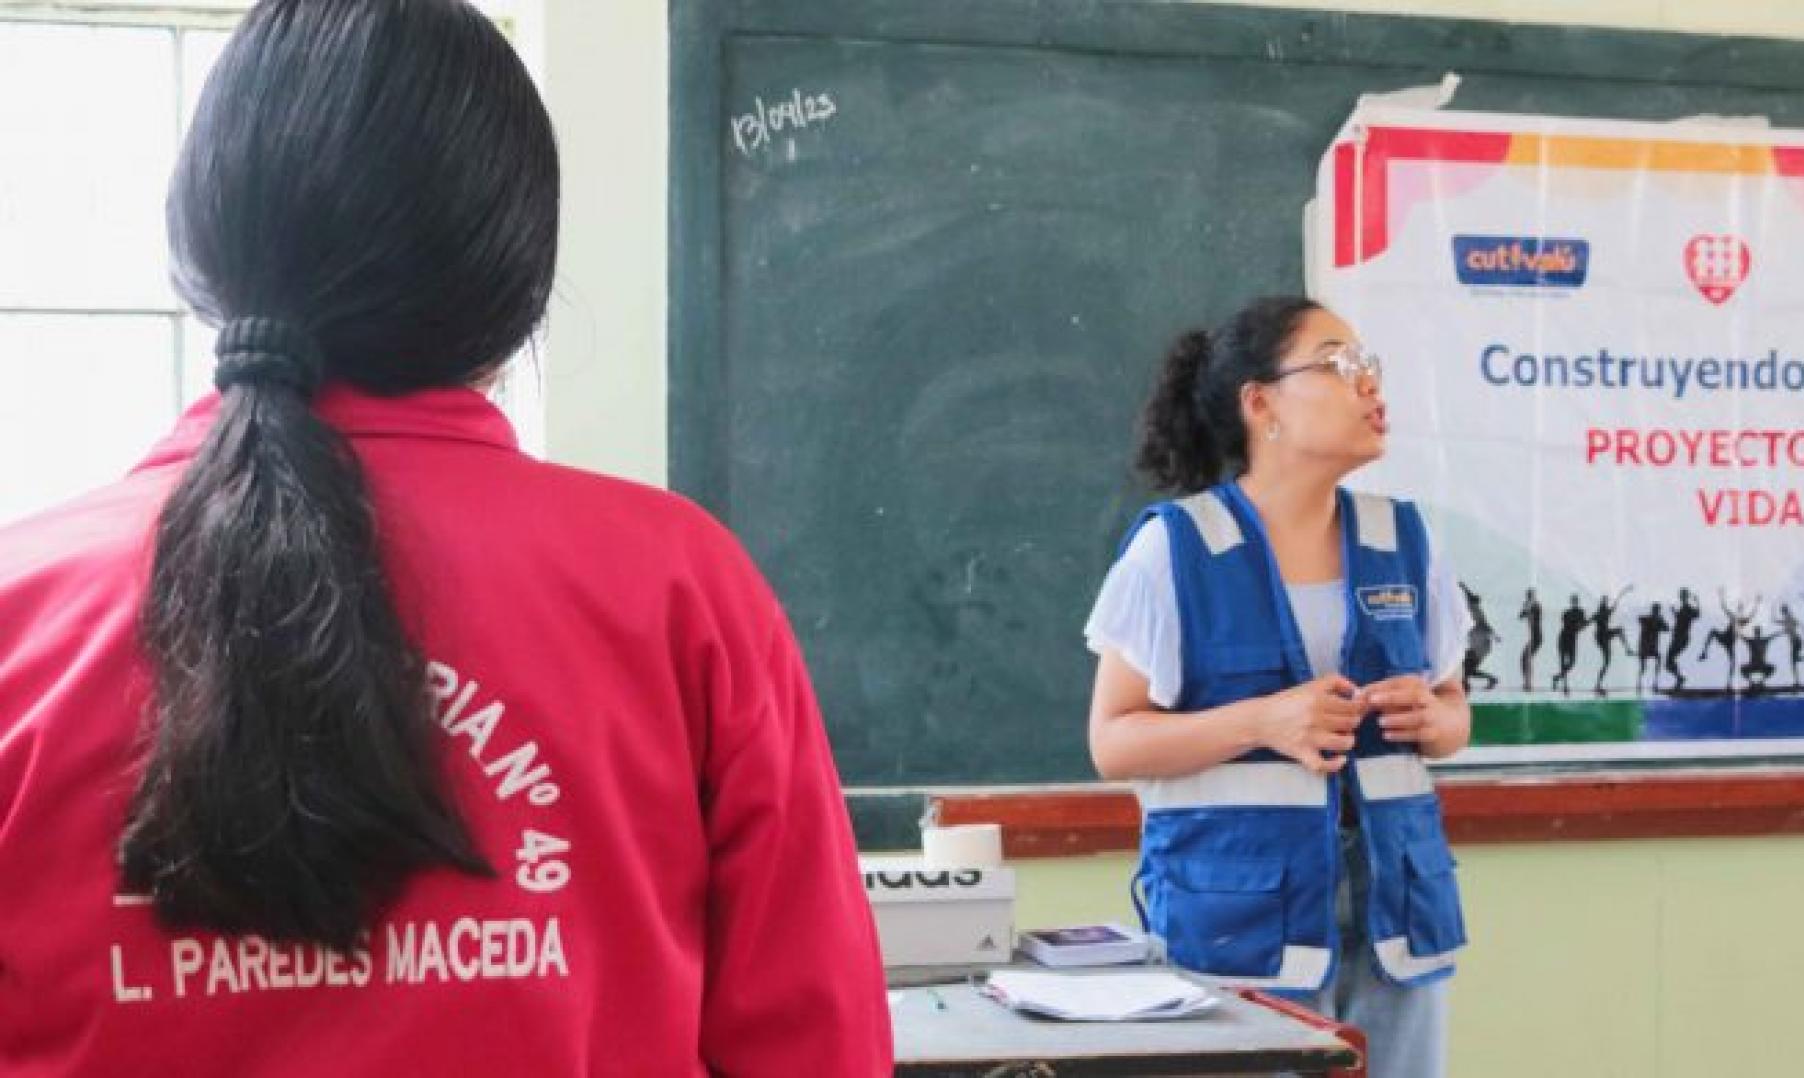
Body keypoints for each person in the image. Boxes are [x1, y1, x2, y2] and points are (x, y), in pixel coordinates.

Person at [0, 3, 888, 1074]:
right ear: (509, 288)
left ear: (207, 249)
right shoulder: (679, 593)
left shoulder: (21, 611)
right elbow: (816, 1048)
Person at [1085, 296, 1471, 1078]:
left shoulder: (1404, 540)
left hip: (1395, 916)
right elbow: (1113, 740)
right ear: (1260, 404)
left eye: (1368, 364)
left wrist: (1434, 720)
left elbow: (1454, 712)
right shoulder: (1176, 550)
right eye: (1338, 364)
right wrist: (1263, 721)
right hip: (1238, 926)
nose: (1369, 384)